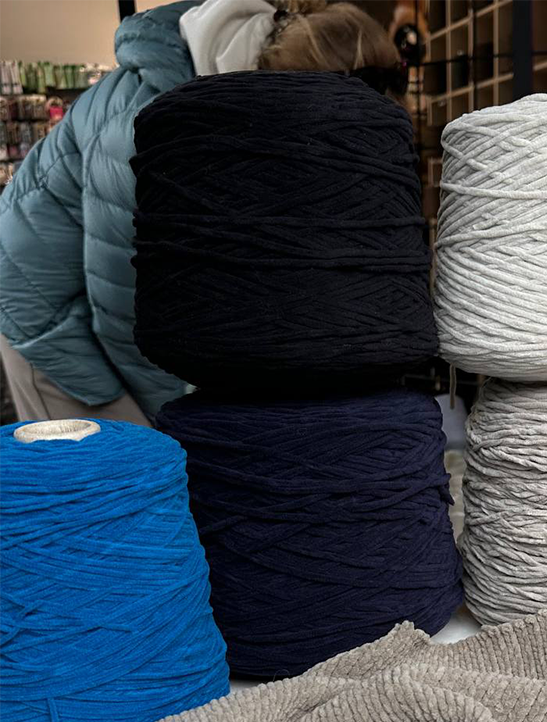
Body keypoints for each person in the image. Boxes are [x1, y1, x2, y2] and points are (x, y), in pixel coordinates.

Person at [0, 0, 405, 426]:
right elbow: (123, 308)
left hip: (107, 299)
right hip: (45, 305)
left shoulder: (247, 91)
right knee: (123, 459)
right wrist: (179, 428)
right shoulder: (145, 126)